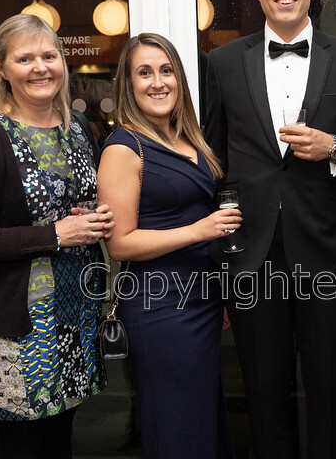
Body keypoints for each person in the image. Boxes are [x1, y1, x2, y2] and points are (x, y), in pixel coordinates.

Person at [204, 0, 336, 458]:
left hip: (328, 251)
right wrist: (217, 256)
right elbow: (213, 161)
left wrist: (335, 148)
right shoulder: (223, 63)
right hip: (252, 256)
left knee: (330, 392)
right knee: (262, 392)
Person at [0, 14, 115, 458]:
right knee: (23, 447)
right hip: (18, 327)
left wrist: (92, 217)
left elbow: (72, 203)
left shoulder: (76, 129)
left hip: (75, 313)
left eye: (49, 55)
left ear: (63, 62)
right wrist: (53, 234)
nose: (40, 67)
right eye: (25, 58)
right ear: (2, 69)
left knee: (60, 440)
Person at [98, 33, 238, 459]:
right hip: (159, 307)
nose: (158, 82)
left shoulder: (187, 139)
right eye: (144, 72)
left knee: (201, 421)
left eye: (166, 70)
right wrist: (201, 230)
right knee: (177, 429)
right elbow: (119, 244)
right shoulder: (124, 148)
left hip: (202, 299)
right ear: (128, 83)